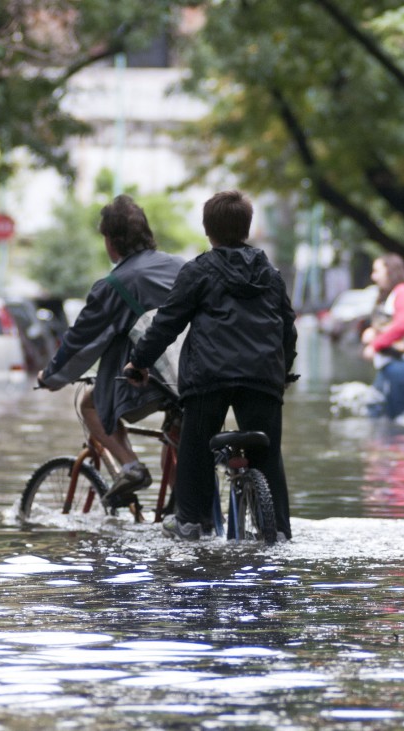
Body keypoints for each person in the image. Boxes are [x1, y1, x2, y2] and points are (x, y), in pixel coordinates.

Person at [123, 190, 298, 542]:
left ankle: (190, 521)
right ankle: (278, 529)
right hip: (263, 375)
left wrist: (138, 362)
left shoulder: (198, 271)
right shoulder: (270, 274)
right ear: (247, 227)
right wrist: (283, 373)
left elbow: (167, 324)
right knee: (267, 454)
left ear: (207, 229)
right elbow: (287, 329)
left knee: (196, 449)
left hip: (209, 376)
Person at [37, 195, 184, 506]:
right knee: (178, 463)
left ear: (112, 241)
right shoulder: (182, 267)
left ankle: (130, 466)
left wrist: (50, 377)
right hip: (195, 376)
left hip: (149, 379)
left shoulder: (115, 285)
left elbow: (80, 341)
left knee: (90, 403)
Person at [360, 254, 404, 420]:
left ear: (390, 271)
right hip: (393, 364)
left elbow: (403, 324)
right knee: (376, 410)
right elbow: (392, 323)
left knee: (392, 418)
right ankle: (383, 444)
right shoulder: (393, 294)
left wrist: (375, 345)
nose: (373, 276)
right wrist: (373, 332)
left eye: (377, 271)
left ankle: (397, 444)